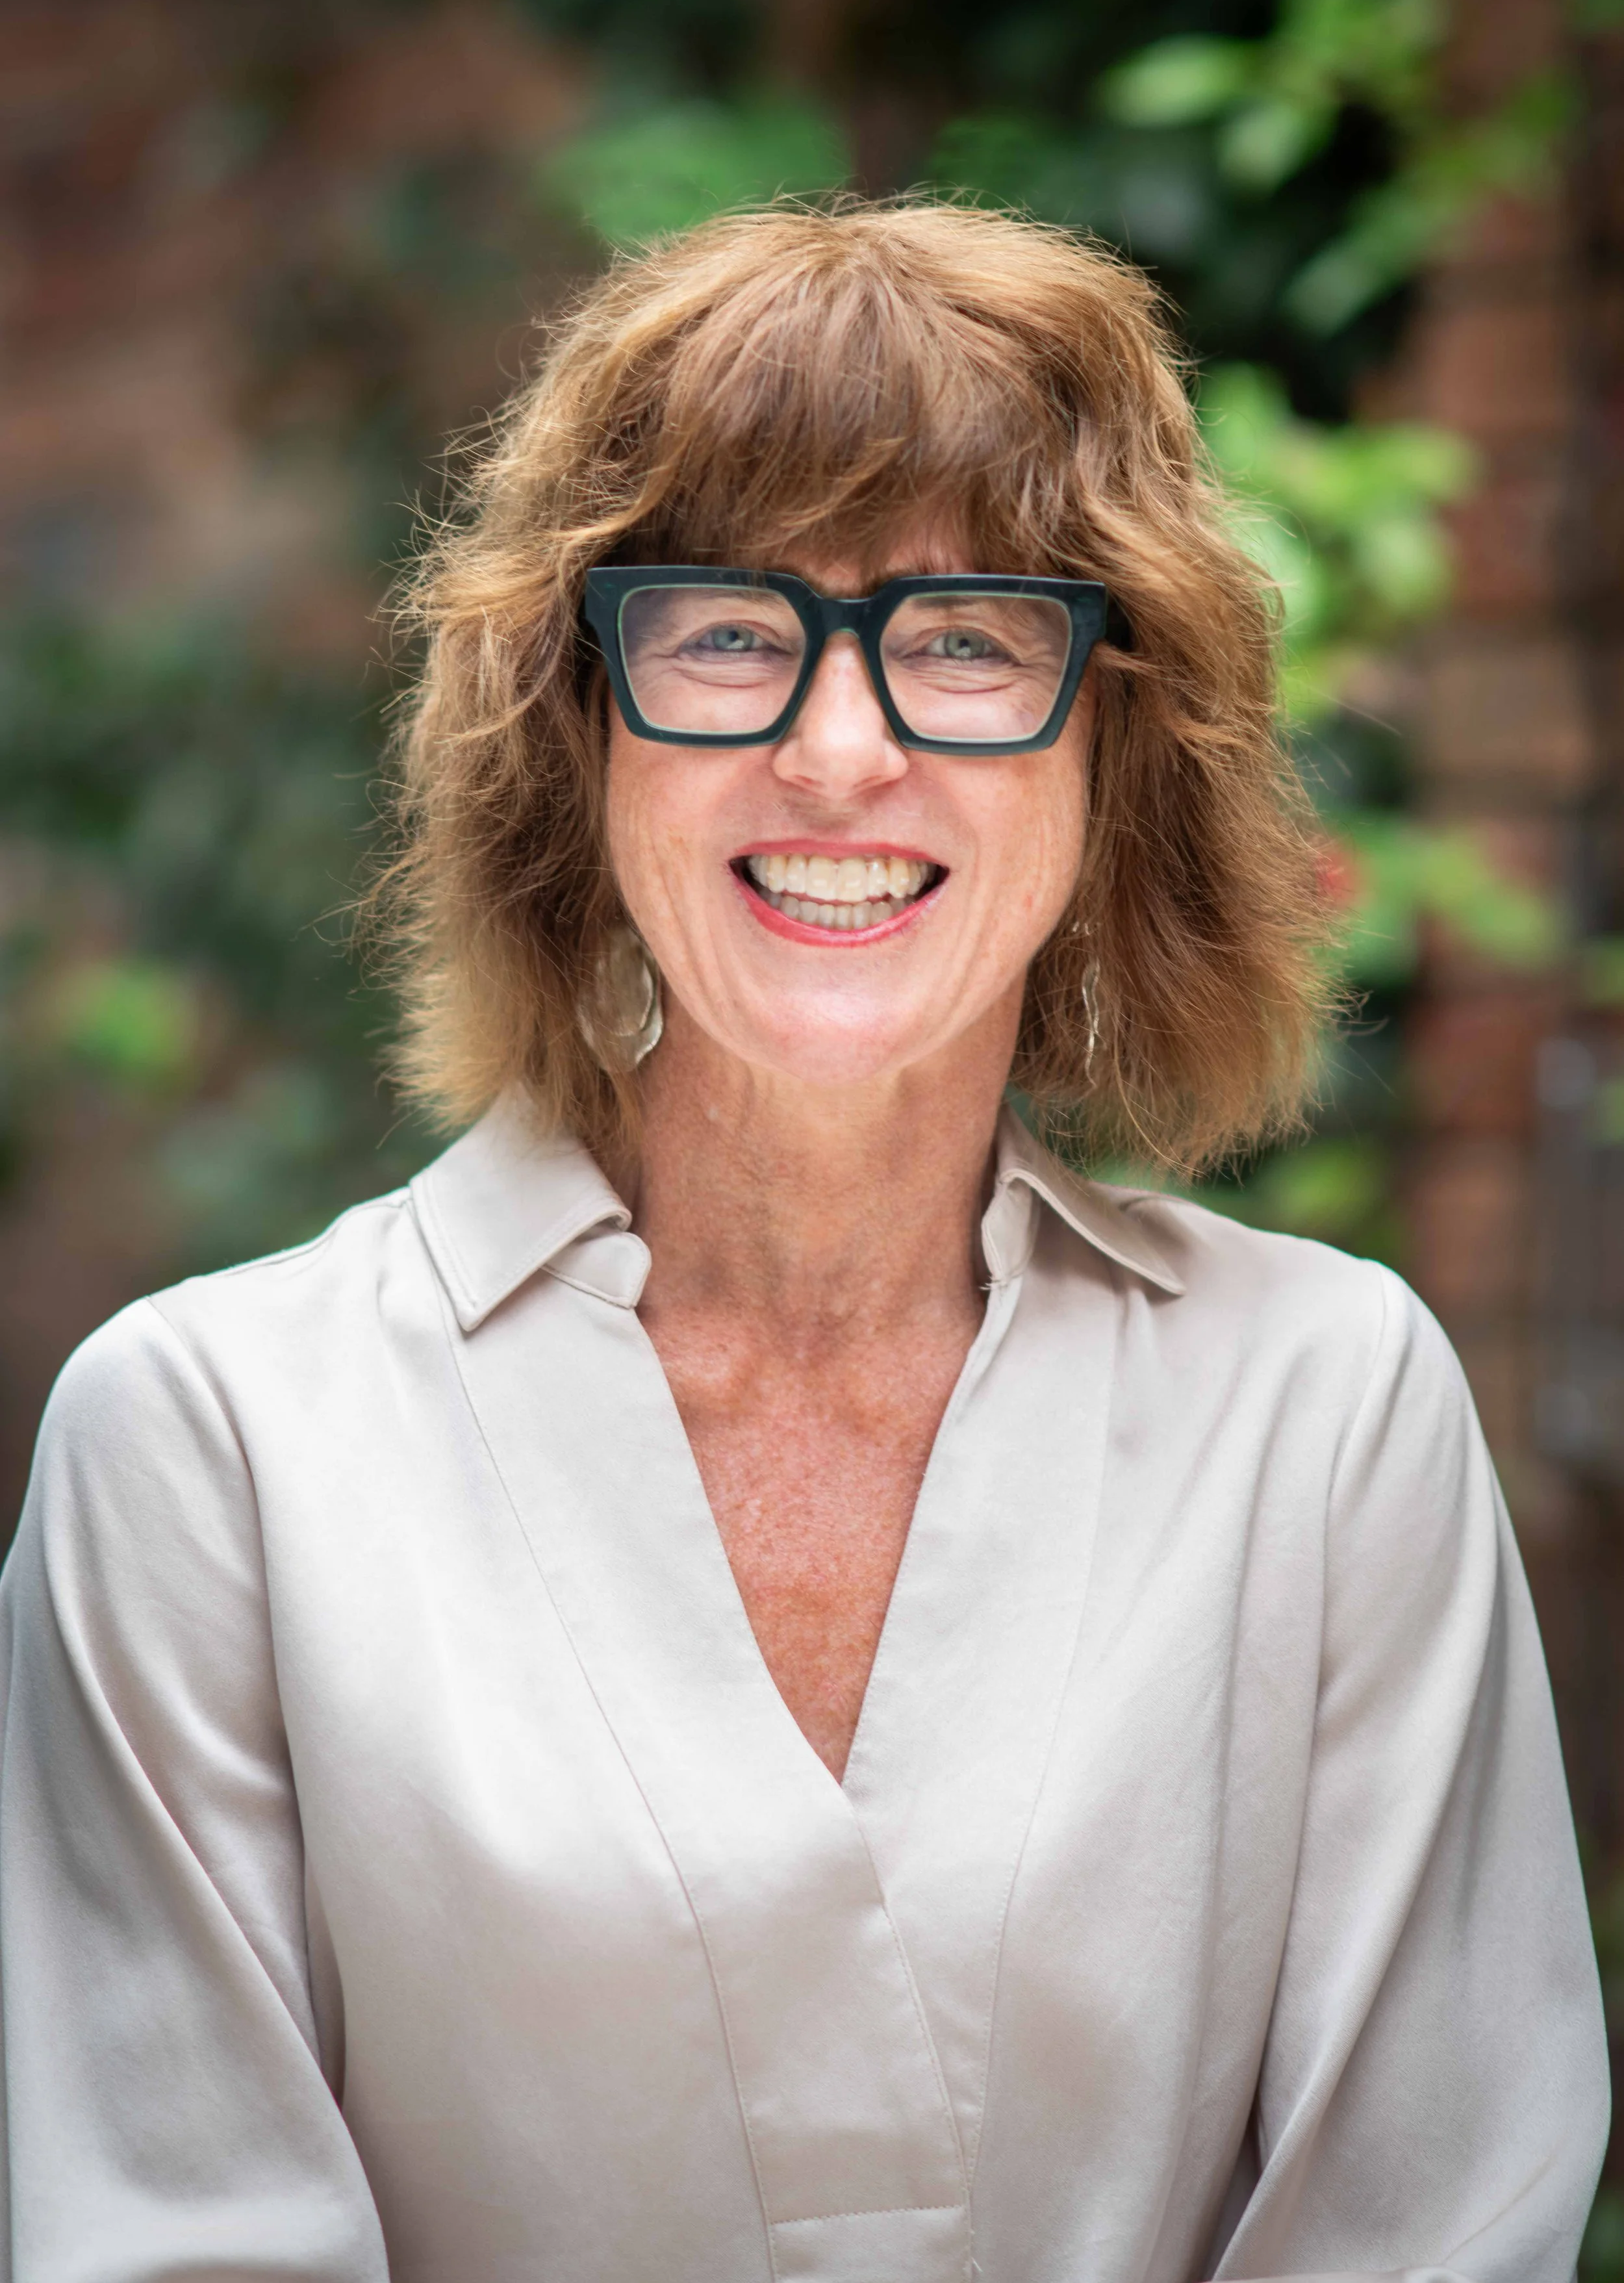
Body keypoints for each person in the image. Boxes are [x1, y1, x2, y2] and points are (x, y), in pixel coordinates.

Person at [0, 202, 1607, 2283]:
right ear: (578, 739)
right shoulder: (215, 1443)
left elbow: (1430, 2235)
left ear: (1108, 747)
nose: (837, 747)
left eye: (962, 639)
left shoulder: (1323, 1411)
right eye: (725, 631)